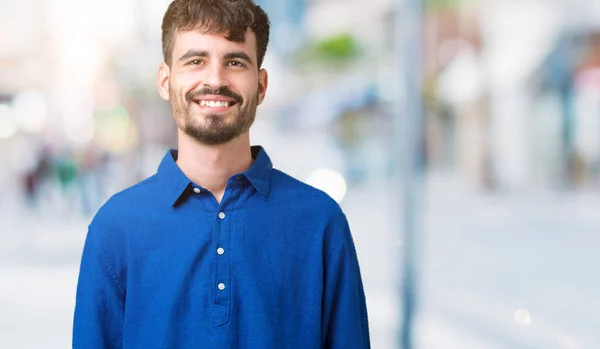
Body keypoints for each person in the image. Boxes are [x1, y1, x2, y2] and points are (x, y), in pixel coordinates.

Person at [72, 0, 370, 348]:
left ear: (260, 85)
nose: (215, 79)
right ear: (166, 81)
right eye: (196, 61)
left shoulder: (321, 221)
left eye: (234, 62)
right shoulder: (115, 227)